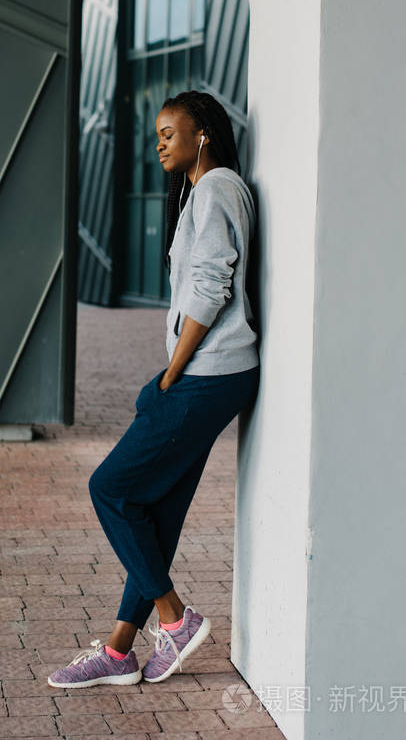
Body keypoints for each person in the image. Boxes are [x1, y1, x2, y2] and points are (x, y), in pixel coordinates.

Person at [47, 90, 260, 689]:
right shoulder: (206, 190)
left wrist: (169, 376)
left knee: (111, 487)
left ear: (204, 135)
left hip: (208, 374)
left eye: (170, 132)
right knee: (154, 509)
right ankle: (119, 651)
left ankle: (174, 620)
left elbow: (211, 284)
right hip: (215, 374)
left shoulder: (217, 188)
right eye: (157, 134)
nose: (160, 143)